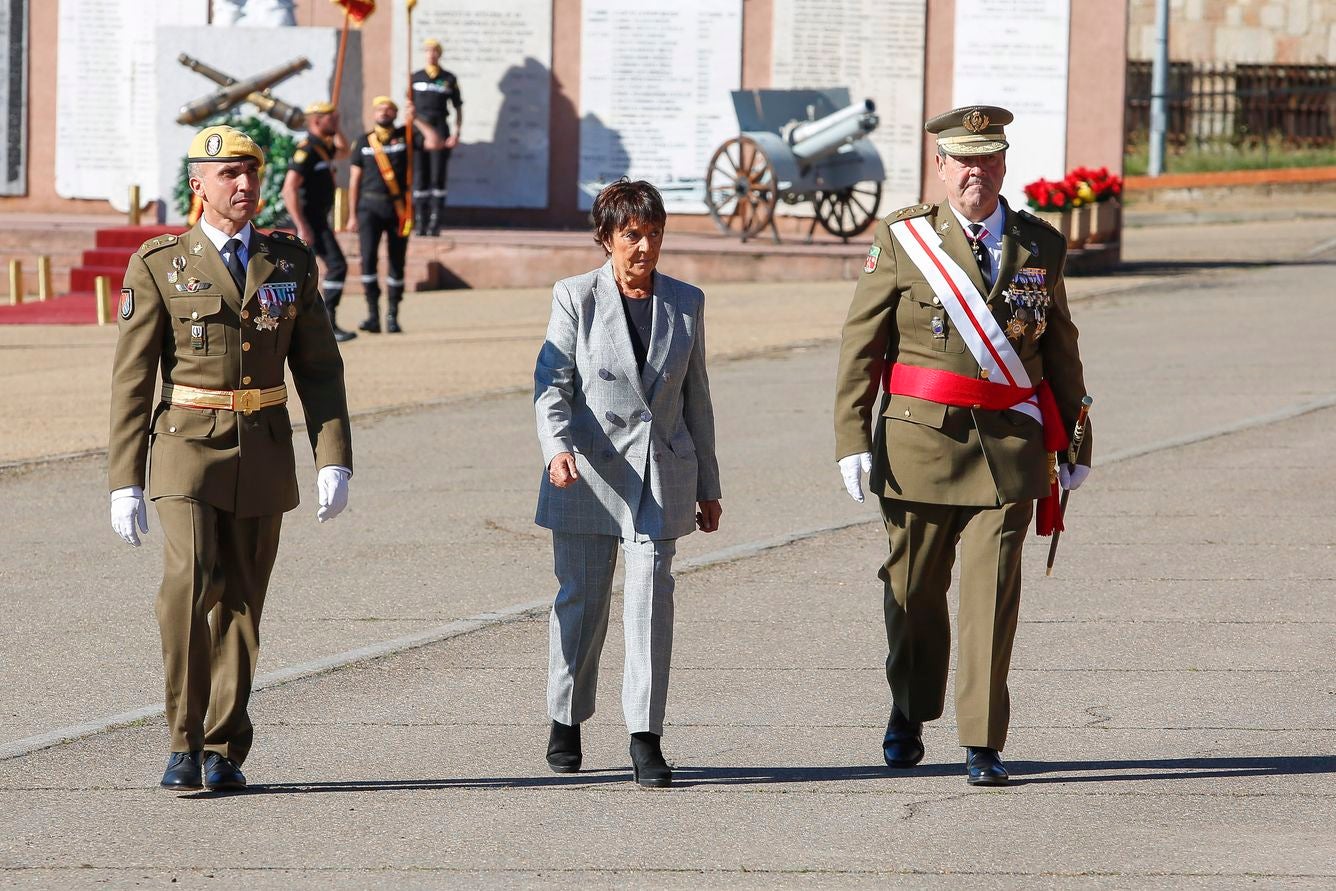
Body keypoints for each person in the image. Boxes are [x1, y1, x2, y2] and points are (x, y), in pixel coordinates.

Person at [832, 105, 1093, 786]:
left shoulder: (1041, 244)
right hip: (918, 447)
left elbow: (1060, 347)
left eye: (987, 158)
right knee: (912, 589)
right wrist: (851, 437)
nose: (975, 172)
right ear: (941, 166)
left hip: (1010, 450)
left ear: (1004, 164)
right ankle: (911, 707)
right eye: (962, 160)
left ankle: (982, 739)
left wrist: (1076, 438)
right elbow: (861, 347)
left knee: (992, 595)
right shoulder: (903, 240)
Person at [108, 125, 353, 792]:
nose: (244, 184)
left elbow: (321, 370)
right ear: (198, 184)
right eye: (228, 175)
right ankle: (183, 742)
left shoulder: (290, 263)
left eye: (251, 171)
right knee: (188, 588)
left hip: (265, 450)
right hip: (187, 448)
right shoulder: (161, 263)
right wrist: (124, 480)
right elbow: (133, 378)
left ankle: (224, 748)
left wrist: (333, 455)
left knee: (243, 604)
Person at [533, 179, 722, 789]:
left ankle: (645, 736)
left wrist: (708, 485)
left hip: (660, 473)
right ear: (607, 238)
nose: (643, 248)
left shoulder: (685, 302)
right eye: (631, 236)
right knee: (582, 606)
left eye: (654, 235)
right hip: (587, 472)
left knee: (650, 602)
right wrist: (557, 448)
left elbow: (698, 401)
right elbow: (552, 383)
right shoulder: (574, 296)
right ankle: (566, 717)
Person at [347, 95, 444, 334]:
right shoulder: (363, 142)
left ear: (395, 114)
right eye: (380, 108)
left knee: (396, 262)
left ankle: (393, 315)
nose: (384, 112)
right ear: (374, 113)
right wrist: (351, 214)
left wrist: (416, 118)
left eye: (389, 109)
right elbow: (354, 181)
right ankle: (372, 314)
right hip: (369, 207)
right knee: (368, 260)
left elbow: (435, 142)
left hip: (398, 209)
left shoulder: (407, 136)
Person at [281, 100, 355, 342]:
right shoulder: (307, 150)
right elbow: (289, 189)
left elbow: (345, 151)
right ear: (315, 120)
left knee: (304, 273)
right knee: (336, 266)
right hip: (310, 220)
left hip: (320, 219)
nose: (335, 121)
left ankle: (316, 324)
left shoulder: (324, 146)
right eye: (330, 118)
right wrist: (301, 225)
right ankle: (326, 323)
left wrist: (338, 126)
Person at [410, 37, 463, 237]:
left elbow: (458, 107)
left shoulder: (448, 78)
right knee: (420, 176)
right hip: (418, 131)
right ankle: (420, 220)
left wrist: (457, 133)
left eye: (435, 51)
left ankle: (435, 221)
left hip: (440, 128)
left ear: (439, 54)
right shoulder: (415, 77)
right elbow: (409, 107)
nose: (431, 54)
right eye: (428, 51)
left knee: (437, 177)